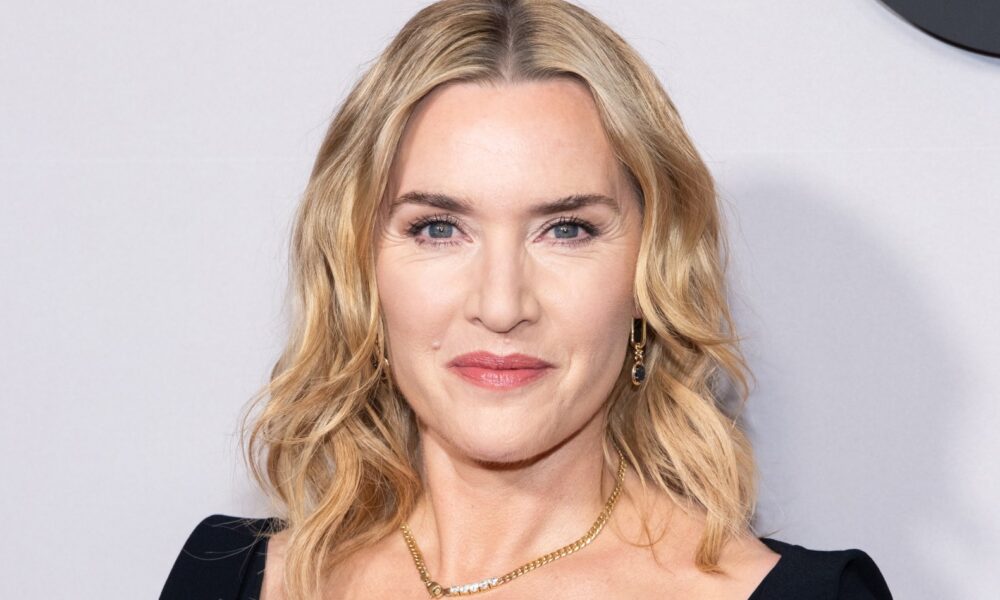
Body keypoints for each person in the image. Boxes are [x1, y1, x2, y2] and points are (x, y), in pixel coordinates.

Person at [161, 1, 893, 598]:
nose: (502, 304)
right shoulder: (227, 576)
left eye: (566, 229)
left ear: (651, 270)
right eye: (439, 228)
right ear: (359, 266)